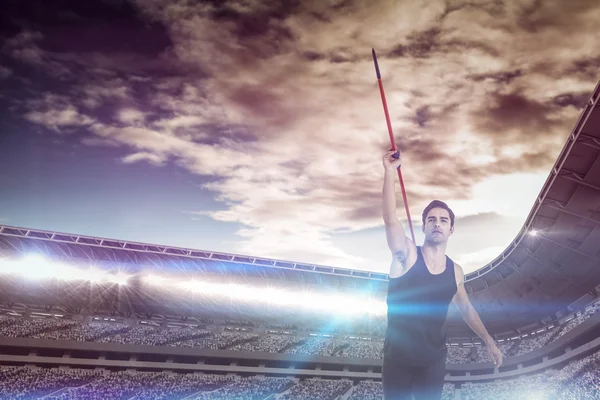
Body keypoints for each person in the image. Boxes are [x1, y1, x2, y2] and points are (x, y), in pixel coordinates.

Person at [381, 149, 503, 400]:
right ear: (423, 226)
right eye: (432, 219)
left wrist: (489, 341)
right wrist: (389, 173)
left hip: (433, 359)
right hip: (398, 358)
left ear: (451, 229)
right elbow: (390, 219)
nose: (438, 223)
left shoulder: (455, 271)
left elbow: (467, 309)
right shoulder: (406, 255)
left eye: (443, 220)